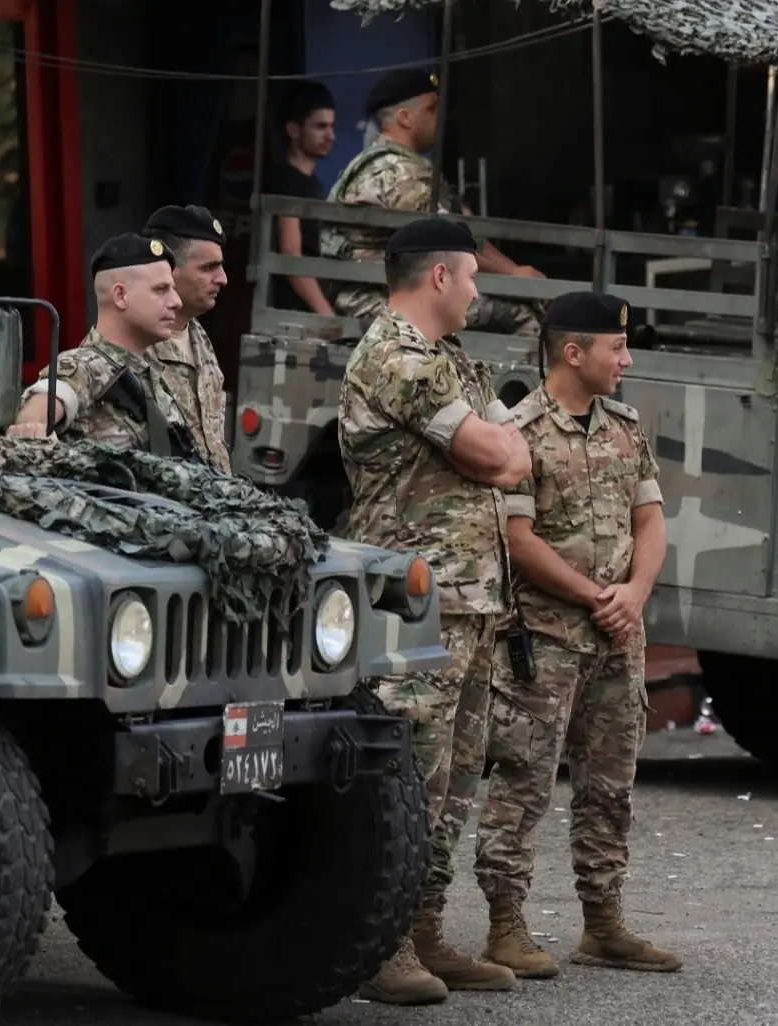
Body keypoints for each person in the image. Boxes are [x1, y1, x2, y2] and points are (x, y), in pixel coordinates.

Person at [339, 215, 531, 1005]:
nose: (481, 289)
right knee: (408, 777)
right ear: (441, 277)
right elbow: (499, 456)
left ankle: (421, 930)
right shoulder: (395, 355)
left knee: (453, 781)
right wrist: (503, 448)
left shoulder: (451, 360)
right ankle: (374, 943)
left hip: (471, 596)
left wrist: (504, 450)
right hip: (415, 601)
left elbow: (516, 462)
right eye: (475, 275)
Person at [474, 291, 679, 981]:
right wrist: (596, 596)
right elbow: (516, 538)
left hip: (619, 637)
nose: (625, 360)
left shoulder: (624, 425)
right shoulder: (519, 431)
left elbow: (650, 520)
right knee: (523, 779)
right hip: (549, 635)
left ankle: (603, 923)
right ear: (573, 352)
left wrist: (635, 595)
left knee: (610, 784)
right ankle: (505, 926)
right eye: (615, 348)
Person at [319, 67, 545, 336]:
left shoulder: (391, 163)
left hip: (391, 290)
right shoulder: (394, 171)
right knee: (522, 314)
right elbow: (452, 239)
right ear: (404, 118)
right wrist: (515, 273)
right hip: (374, 300)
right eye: (432, 109)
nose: (441, 118)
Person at [6, 233, 200, 460]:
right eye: (161, 289)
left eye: (173, 289)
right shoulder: (85, 366)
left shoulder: (153, 370)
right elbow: (51, 396)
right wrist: (32, 425)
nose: (176, 301)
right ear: (121, 296)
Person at [143, 204, 234, 473]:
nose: (223, 279)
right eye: (209, 268)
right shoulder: (130, 343)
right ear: (167, 271)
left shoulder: (198, 336)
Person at [264, 81, 338, 316]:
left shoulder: (310, 183)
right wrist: (327, 316)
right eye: (320, 126)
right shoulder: (286, 181)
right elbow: (291, 255)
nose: (331, 136)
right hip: (295, 315)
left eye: (332, 126)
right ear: (293, 130)